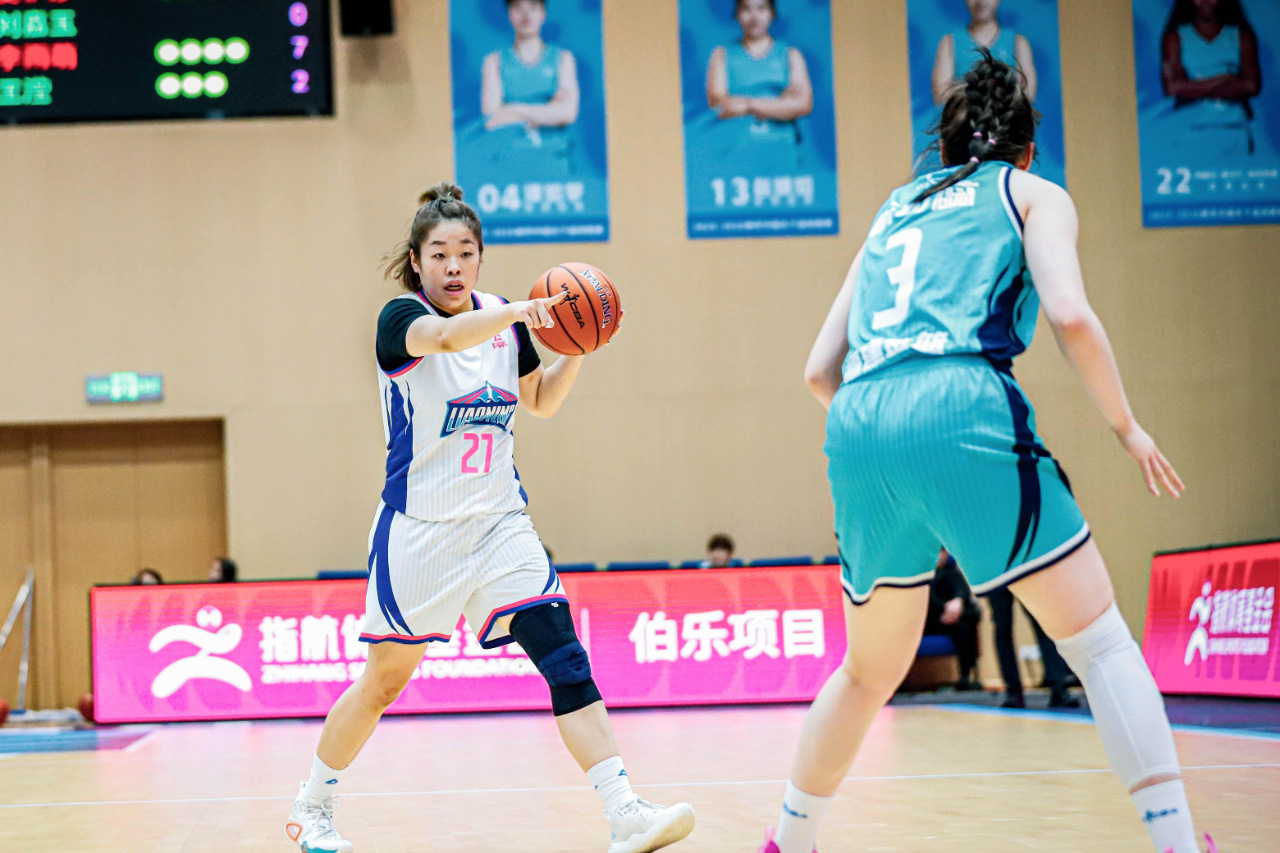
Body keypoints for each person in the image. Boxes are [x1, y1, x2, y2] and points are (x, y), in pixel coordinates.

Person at [758, 49, 1214, 853]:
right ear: (1027, 149)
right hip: (958, 397)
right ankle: (1178, 842)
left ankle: (788, 841)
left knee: (867, 671)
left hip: (858, 420)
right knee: (1100, 640)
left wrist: (892, 445)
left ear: (944, 147)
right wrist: (1127, 427)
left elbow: (817, 370)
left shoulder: (893, 209)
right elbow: (1069, 314)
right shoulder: (1033, 193)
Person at [284, 183, 694, 853]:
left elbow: (540, 401)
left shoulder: (505, 319)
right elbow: (446, 338)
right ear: (416, 261)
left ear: (480, 257)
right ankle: (311, 807)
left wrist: (577, 348)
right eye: (439, 253)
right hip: (420, 531)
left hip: (501, 524)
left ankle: (624, 810)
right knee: (383, 683)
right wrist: (524, 313)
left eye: (466, 252)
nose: (453, 266)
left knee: (565, 656)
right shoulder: (400, 319)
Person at [704, 0, 814, 174]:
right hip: (733, 154)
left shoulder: (790, 54)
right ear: (737, 14)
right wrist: (780, 103)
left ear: (772, 14)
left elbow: (803, 104)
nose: (754, 17)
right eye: (747, 9)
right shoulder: (722, 55)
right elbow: (718, 104)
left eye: (761, 8)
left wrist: (747, 105)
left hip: (783, 152)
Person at [480, 0, 580, 178]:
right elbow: (491, 119)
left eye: (533, 7)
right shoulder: (494, 61)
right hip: (509, 164)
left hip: (555, 164)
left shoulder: (563, 58)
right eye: (518, 8)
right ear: (509, 13)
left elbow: (568, 113)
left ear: (543, 13)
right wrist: (548, 110)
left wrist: (512, 109)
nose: (526, 15)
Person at [1161, 0, 1262, 157]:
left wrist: (1193, 87)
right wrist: (1224, 79)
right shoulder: (1175, 37)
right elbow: (1173, 88)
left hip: (1234, 129)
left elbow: (1251, 86)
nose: (1205, 1)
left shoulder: (1241, 36)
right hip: (1190, 130)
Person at [987, 583, 1080, 709]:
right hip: (995, 575)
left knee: (1041, 622)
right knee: (1002, 626)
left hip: (1020, 572)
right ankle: (1013, 692)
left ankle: (1059, 688)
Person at [931, 0, 1037, 104]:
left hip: (1007, 116)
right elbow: (941, 97)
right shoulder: (949, 42)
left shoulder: (1018, 43)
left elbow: (1028, 95)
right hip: (962, 115)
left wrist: (966, 90)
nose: (980, 2)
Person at [925, 550, 981, 691]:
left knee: (966, 625)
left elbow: (962, 590)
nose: (939, 556)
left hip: (953, 619)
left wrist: (958, 601)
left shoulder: (953, 573)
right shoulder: (924, 575)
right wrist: (946, 607)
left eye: (942, 552)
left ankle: (965, 676)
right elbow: (928, 599)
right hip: (929, 620)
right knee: (968, 616)